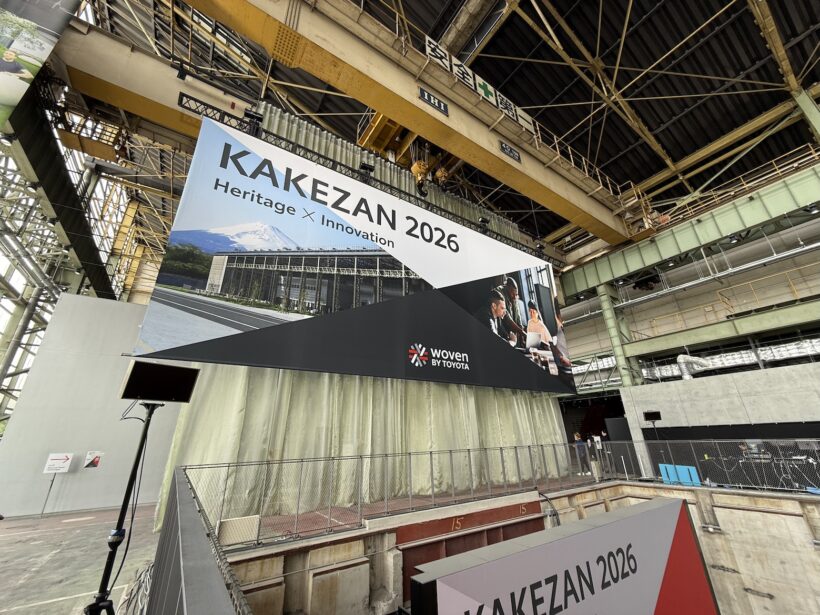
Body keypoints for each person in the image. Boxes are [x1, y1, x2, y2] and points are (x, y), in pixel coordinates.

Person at [495, 277, 525, 343]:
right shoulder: (499, 291)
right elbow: (505, 315)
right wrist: (520, 331)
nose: (514, 296)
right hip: (501, 329)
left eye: (516, 294)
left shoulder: (514, 296)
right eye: (512, 294)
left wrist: (522, 336)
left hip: (512, 334)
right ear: (507, 288)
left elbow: (518, 316)